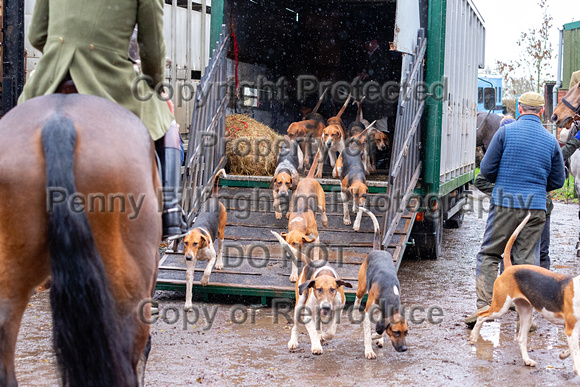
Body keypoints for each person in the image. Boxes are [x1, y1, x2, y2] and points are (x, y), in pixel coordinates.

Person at [18, 0, 185, 238]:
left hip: (51, 79)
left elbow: (36, 35)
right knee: (168, 125)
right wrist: (157, 86)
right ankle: (170, 215)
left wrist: (63, 51)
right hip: (110, 81)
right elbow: (153, 51)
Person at [465, 92, 566, 325]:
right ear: (541, 112)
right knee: (527, 263)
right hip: (536, 208)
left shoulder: (505, 132)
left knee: (490, 253)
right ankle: (526, 320)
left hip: (505, 203)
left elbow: (487, 171)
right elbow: (559, 180)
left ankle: (486, 307)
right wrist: (537, 187)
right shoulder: (550, 140)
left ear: (520, 109)